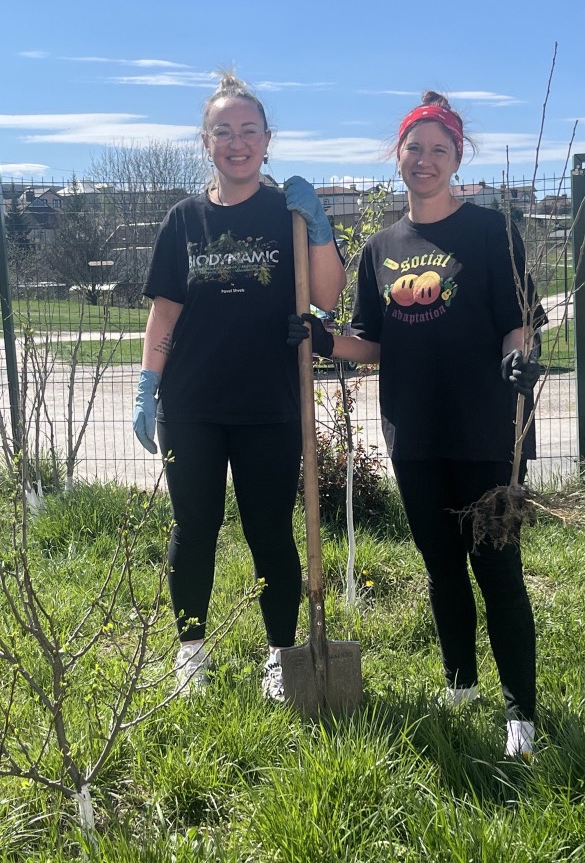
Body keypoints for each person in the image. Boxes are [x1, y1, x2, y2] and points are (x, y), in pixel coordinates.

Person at [288, 91, 545, 757]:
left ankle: (520, 713)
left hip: (488, 430)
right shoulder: (379, 248)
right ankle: (460, 686)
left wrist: (519, 356)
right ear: (396, 155)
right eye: (414, 148)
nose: (424, 159)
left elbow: (518, 323)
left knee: (497, 569)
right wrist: (321, 338)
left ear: (457, 158)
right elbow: (372, 342)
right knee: (442, 568)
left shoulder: (491, 233)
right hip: (414, 431)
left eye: (438, 149)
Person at [132, 72, 345, 698]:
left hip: (270, 403)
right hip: (191, 405)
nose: (237, 142)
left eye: (249, 130)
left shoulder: (288, 214)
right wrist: (148, 382)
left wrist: (320, 227)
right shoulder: (183, 220)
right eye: (223, 131)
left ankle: (280, 656)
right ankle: (190, 654)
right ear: (206, 142)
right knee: (193, 528)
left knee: (270, 532)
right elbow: (164, 314)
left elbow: (328, 298)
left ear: (267, 140)